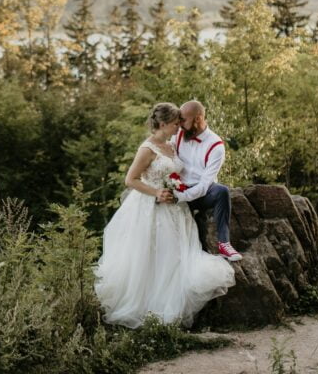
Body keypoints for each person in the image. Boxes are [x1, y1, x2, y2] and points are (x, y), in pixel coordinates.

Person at [93, 103, 235, 329]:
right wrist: (157, 192)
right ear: (162, 124)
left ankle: (170, 309)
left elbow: (182, 170)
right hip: (150, 205)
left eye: (180, 123)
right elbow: (130, 180)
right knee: (151, 256)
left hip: (176, 207)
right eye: (175, 124)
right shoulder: (147, 149)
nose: (179, 127)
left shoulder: (172, 145)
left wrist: (183, 190)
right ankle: (147, 309)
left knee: (176, 256)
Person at [171, 100, 242, 261]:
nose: (179, 124)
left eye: (183, 120)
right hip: (177, 188)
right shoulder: (178, 135)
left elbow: (204, 185)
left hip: (201, 194)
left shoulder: (216, 145)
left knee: (222, 191)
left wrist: (181, 197)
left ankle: (224, 243)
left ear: (197, 119)